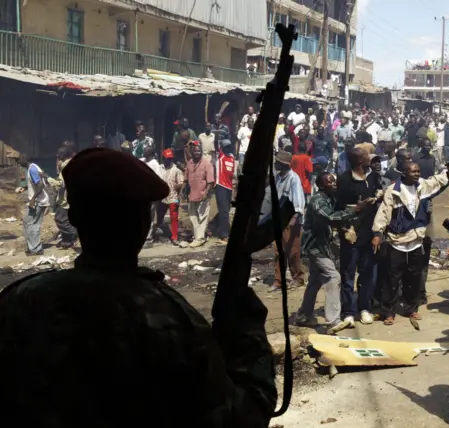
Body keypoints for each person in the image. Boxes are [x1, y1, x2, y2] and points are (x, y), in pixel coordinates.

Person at [0, 148, 276, 427]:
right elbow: (241, 418)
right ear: (144, 223)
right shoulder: (171, 319)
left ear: (73, 218)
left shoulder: (20, 302)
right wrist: (247, 332)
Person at [372, 161, 449, 326]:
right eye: (413, 172)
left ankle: (411, 308)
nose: (417, 174)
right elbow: (384, 212)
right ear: (403, 173)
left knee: (414, 277)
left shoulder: (422, 186)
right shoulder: (393, 191)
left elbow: (438, 181)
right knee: (392, 279)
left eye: (418, 171)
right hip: (397, 241)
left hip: (416, 241)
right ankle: (388, 311)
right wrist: (377, 233)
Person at [296, 172, 362, 331]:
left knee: (315, 281)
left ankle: (304, 315)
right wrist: (355, 210)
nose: (334, 184)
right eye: (329, 182)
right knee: (333, 277)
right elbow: (330, 217)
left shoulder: (330, 198)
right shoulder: (318, 201)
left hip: (323, 246)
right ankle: (333, 320)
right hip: (315, 247)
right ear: (321, 186)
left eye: (334, 181)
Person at [333, 147, 381, 332]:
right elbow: (338, 207)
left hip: (369, 234)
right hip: (351, 234)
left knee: (368, 274)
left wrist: (378, 233)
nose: (370, 158)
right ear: (360, 161)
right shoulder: (344, 179)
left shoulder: (373, 178)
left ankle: (365, 308)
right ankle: (348, 311)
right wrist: (344, 227)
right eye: (366, 156)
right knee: (348, 275)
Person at [272, 151, 306, 291]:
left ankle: (298, 277)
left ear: (283, 164)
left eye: (277, 162)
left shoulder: (293, 179)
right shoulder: (278, 178)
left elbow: (298, 203)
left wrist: (292, 222)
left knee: (292, 251)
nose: (275, 163)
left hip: (292, 221)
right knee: (278, 251)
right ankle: (278, 281)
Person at [46, 146, 77, 249]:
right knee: (67, 220)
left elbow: (61, 184)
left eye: (59, 154)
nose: (58, 156)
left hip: (65, 199)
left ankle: (75, 234)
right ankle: (68, 241)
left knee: (60, 219)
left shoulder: (65, 165)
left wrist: (47, 178)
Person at [185, 143, 215, 248]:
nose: (197, 153)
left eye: (199, 151)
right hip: (192, 195)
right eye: (195, 151)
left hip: (203, 195)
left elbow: (210, 181)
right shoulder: (190, 163)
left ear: (201, 152)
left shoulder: (207, 164)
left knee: (202, 217)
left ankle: (200, 239)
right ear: (192, 152)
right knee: (193, 217)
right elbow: (186, 179)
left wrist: (206, 193)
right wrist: (184, 192)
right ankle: (197, 236)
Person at [19, 156, 49, 256]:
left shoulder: (32, 169)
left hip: (38, 202)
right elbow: (36, 182)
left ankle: (36, 249)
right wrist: (25, 187)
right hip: (37, 201)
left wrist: (33, 199)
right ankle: (32, 246)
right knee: (27, 222)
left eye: (19, 160)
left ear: (24, 159)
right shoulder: (32, 168)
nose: (19, 162)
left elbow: (39, 184)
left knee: (33, 224)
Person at [157, 149, 183, 245]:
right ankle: (159, 232)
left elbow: (181, 182)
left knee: (174, 217)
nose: (168, 160)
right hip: (162, 197)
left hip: (173, 196)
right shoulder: (159, 168)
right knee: (159, 215)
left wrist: (178, 186)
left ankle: (174, 237)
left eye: (170, 159)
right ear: (163, 158)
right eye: (167, 158)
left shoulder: (176, 170)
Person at [211, 140, 236, 241]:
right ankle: (224, 234)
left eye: (228, 146)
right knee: (224, 211)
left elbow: (231, 173)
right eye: (225, 147)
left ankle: (215, 227)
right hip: (220, 186)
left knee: (225, 210)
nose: (227, 148)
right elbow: (216, 145)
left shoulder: (232, 157)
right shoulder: (220, 156)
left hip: (229, 187)